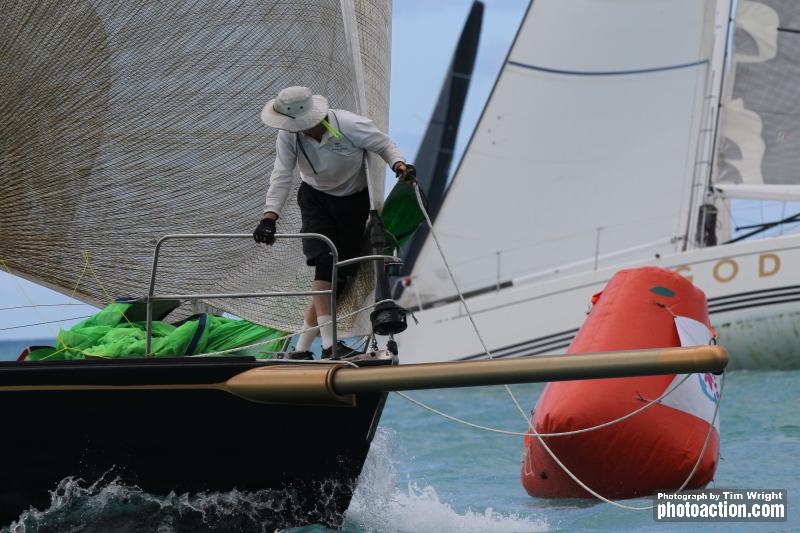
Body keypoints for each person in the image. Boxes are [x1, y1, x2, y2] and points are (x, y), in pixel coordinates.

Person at [253, 86, 415, 359]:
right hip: (315, 198)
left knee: (336, 279)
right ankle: (330, 346)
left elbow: (384, 145)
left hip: (353, 201)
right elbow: (281, 173)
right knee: (325, 262)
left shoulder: (350, 124)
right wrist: (270, 216)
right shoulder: (289, 136)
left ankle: (302, 349)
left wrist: (399, 165)